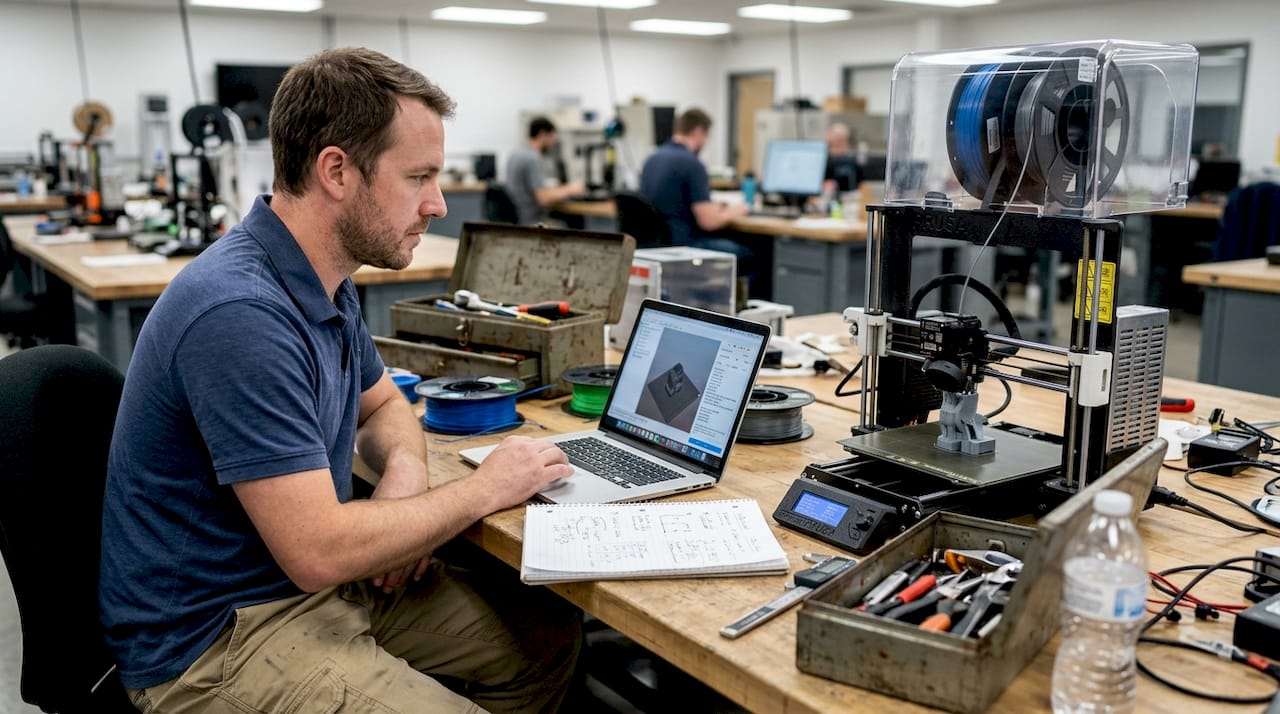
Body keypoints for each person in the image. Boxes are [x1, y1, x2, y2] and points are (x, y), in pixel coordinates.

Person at [99, 47, 582, 714]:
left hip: (307, 589)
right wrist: (483, 488)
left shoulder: (323, 276)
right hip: (219, 642)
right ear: (336, 172)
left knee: (544, 638)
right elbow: (319, 551)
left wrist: (403, 483)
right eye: (418, 177)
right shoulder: (241, 314)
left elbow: (384, 406)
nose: (438, 204)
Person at [638, 108, 763, 294]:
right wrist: (738, 210)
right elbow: (708, 221)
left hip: (657, 246)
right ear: (698, 132)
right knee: (753, 256)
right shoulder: (692, 163)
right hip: (685, 246)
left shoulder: (652, 159)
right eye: (706, 137)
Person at [506, 116, 585, 225]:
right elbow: (543, 198)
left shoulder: (515, 153)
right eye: (552, 137)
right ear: (542, 135)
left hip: (517, 219)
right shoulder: (533, 158)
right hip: (532, 222)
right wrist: (570, 189)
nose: (553, 142)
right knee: (573, 225)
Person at [824, 121, 859, 193]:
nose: (830, 139)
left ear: (845, 142)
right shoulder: (822, 160)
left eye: (838, 139)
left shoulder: (849, 163)